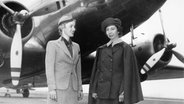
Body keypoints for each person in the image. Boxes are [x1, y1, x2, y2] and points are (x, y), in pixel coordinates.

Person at [88, 17, 143, 104]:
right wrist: (94, 90)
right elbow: (98, 71)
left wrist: (123, 92)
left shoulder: (126, 48)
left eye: (112, 29)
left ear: (118, 30)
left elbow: (128, 73)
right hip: (102, 92)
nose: (110, 32)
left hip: (117, 93)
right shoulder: (101, 49)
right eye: (107, 30)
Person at [45, 15, 83, 104]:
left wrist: (80, 89)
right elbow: (49, 68)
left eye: (74, 26)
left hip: (73, 90)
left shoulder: (77, 47)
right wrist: (52, 89)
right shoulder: (52, 45)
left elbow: (78, 70)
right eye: (71, 26)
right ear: (62, 28)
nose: (74, 29)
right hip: (58, 90)